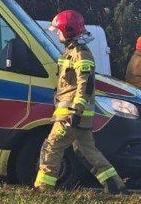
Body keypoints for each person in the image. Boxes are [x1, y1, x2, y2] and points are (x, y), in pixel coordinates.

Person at [35, 10, 126, 194]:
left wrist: (77, 110)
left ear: (68, 30)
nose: (57, 33)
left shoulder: (80, 54)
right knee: (86, 150)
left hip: (72, 111)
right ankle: (114, 185)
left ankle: (43, 188)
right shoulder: (71, 52)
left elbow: (86, 84)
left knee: (52, 146)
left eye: (59, 30)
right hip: (75, 112)